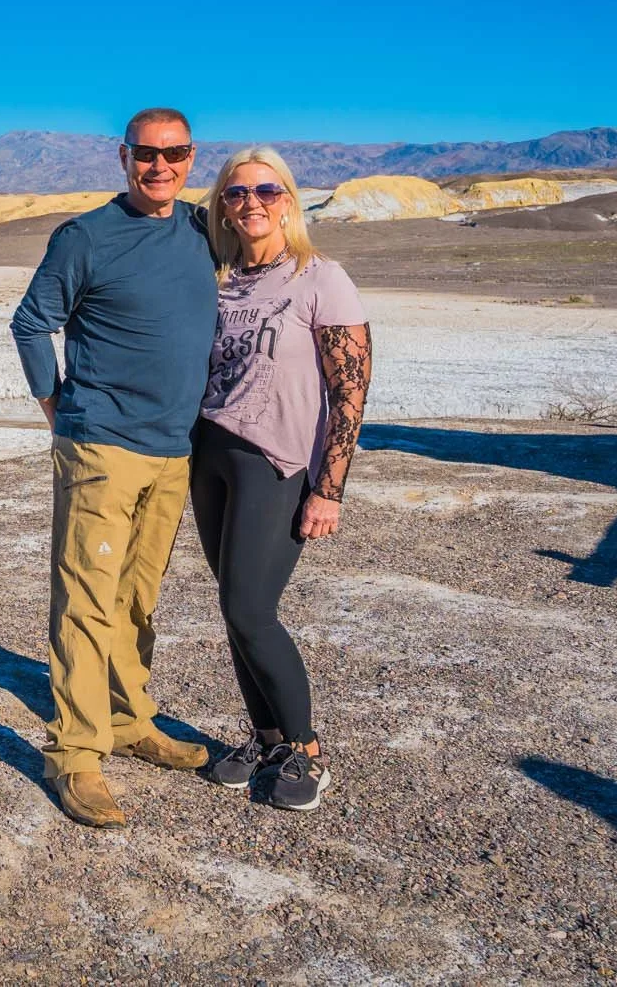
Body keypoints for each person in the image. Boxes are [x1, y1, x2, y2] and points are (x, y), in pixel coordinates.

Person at [10, 108, 219, 828]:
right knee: (86, 595)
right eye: (145, 154)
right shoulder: (85, 237)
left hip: (172, 450)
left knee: (137, 596)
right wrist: (57, 409)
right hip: (101, 445)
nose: (159, 166)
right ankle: (74, 750)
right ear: (122, 156)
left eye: (175, 153)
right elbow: (31, 321)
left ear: (193, 157)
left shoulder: (201, 230)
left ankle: (130, 719)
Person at [192, 146, 373, 812]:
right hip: (209, 454)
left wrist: (329, 489)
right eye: (236, 194)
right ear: (222, 208)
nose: (251, 203)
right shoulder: (219, 277)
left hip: (278, 463)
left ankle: (308, 750)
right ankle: (266, 737)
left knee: (249, 607)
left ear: (289, 200)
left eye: (267, 191)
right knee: (232, 607)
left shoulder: (321, 277)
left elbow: (350, 391)